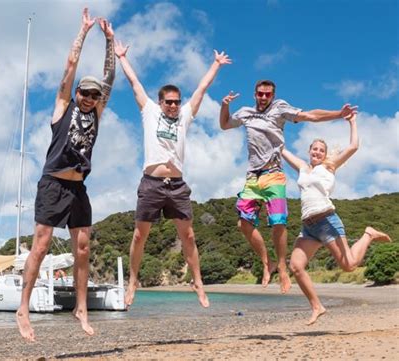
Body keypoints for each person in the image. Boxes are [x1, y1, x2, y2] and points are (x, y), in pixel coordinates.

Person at [16, 8, 115, 341]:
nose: (88, 98)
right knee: (41, 246)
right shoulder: (63, 106)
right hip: (53, 184)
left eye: (93, 94)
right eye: (84, 93)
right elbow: (69, 68)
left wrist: (110, 42)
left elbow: (109, 77)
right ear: (76, 95)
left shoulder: (98, 113)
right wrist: (84, 32)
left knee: (83, 249)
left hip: (78, 189)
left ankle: (81, 308)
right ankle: (23, 308)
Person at [115, 40, 231, 308]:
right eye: (169, 102)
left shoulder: (185, 116)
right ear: (160, 101)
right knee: (139, 235)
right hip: (152, 183)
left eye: (177, 102)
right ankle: (132, 281)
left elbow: (201, 89)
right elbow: (135, 85)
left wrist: (215, 65)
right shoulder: (149, 111)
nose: (173, 106)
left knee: (188, 236)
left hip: (177, 185)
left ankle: (198, 282)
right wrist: (122, 57)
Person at [219, 79, 357, 294]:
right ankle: (267, 262)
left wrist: (338, 114)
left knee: (278, 222)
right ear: (254, 94)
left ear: (272, 96)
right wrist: (225, 105)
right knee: (243, 224)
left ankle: (282, 266)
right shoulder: (245, 112)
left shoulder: (280, 108)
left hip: (273, 174)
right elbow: (225, 124)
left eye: (267, 94)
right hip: (252, 177)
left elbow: (310, 115)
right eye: (260, 94)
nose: (263, 97)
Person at [282, 113, 391, 325]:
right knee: (295, 266)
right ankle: (317, 306)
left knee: (349, 265)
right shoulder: (303, 169)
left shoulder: (328, 167)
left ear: (325, 155)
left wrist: (352, 121)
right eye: (314, 149)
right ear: (309, 151)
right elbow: (282, 149)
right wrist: (275, 127)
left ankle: (368, 234)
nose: (317, 152)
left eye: (321, 150)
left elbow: (353, 146)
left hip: (327, 221)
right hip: (308, 227)